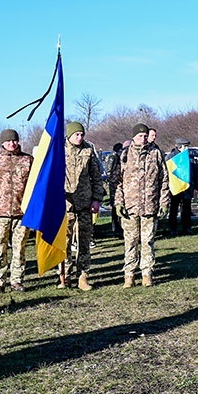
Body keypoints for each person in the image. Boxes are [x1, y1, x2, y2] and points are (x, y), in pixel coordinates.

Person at [115, 123, 170, 287]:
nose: (143, 139)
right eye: (140, 136)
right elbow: (117, 182)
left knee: (147, 242)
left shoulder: (156, 154)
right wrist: (119, 202)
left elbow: (164, 180)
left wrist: (164, 202)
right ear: (133, 137)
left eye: (145, 136)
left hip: (149, 206)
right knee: (130, 242)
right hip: (130, 207)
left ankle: (147, 274)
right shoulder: (125, 155)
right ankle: (129, 275)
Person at [0, 129, 33, 294]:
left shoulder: (28, 160)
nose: (12, 144)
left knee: (19, 248)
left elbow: (36, 186)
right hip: (0, 212)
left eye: (15, 140)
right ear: (3, 142)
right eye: (9, 141)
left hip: (21, 212)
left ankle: (17, 280)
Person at [62, 122, 106, 290]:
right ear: (69, 135)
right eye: (76, 135)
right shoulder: (59, 150)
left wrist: (97, 198)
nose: (80, 138)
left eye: (82, 134)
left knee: (84, 241)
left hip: (85, 203)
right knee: (64, 241)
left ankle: (83, 276)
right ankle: (65, 275)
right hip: (65, 203)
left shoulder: (89, 150)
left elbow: (96, 177)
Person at [166, 138, 197, 236]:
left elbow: (195, 172)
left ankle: (187, 227)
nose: (187, 148)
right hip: (175, 186)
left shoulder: (190, 157)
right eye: (185, 146)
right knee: (174, 208)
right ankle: (173, 228)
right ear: (179, 146)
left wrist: (196, 185)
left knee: (187, 209)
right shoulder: (170, 157)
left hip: (187, 186)